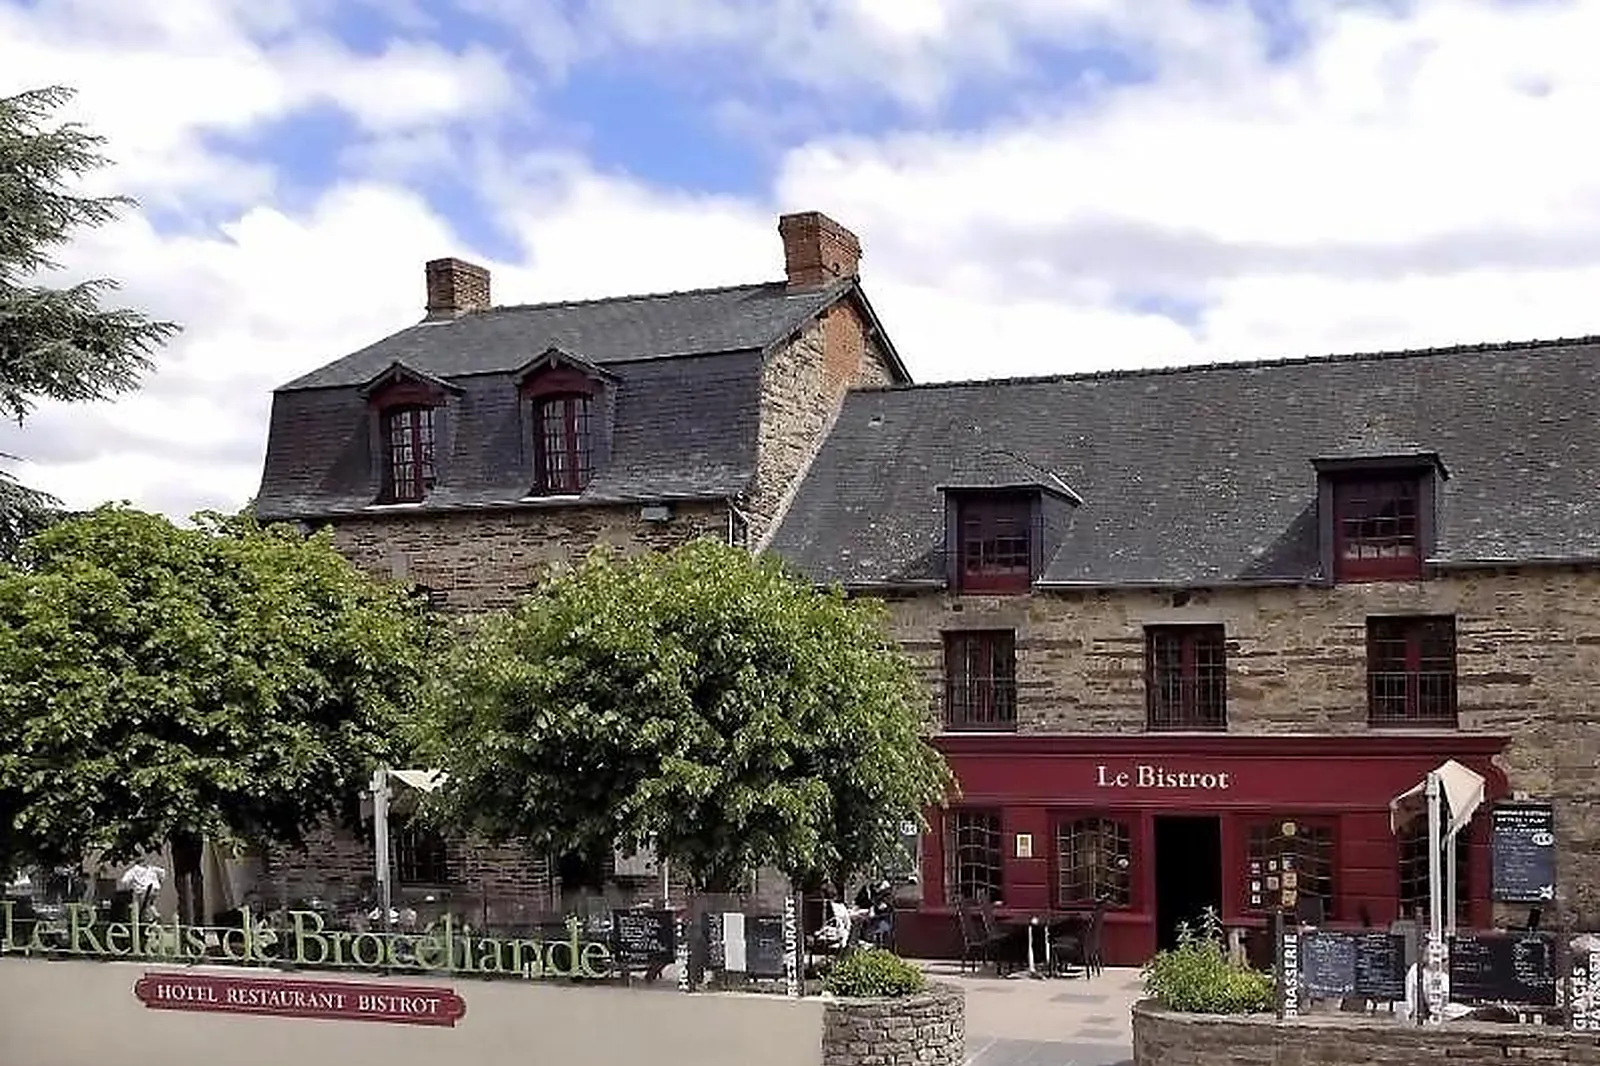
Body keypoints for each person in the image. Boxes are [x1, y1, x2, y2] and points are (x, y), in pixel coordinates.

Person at [117, 855, 166, 923]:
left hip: (143, 890)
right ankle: (155, 916)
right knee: (150, 904)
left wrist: (131, 887)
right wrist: (159, 882)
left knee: (142, 908)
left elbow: (124, 881)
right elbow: (163, 872)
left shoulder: (134, 870)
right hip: (154, 889)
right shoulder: (151, 868)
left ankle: (150, 920)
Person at [855, 880, 894, 946]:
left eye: (878, 888)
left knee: (866, 926)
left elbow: (882, 908)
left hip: (883, 922)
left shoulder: (887, 898)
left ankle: (868, 941)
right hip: (875, 920)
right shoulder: (877, 896)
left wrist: (871, 911)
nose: (877, 890)